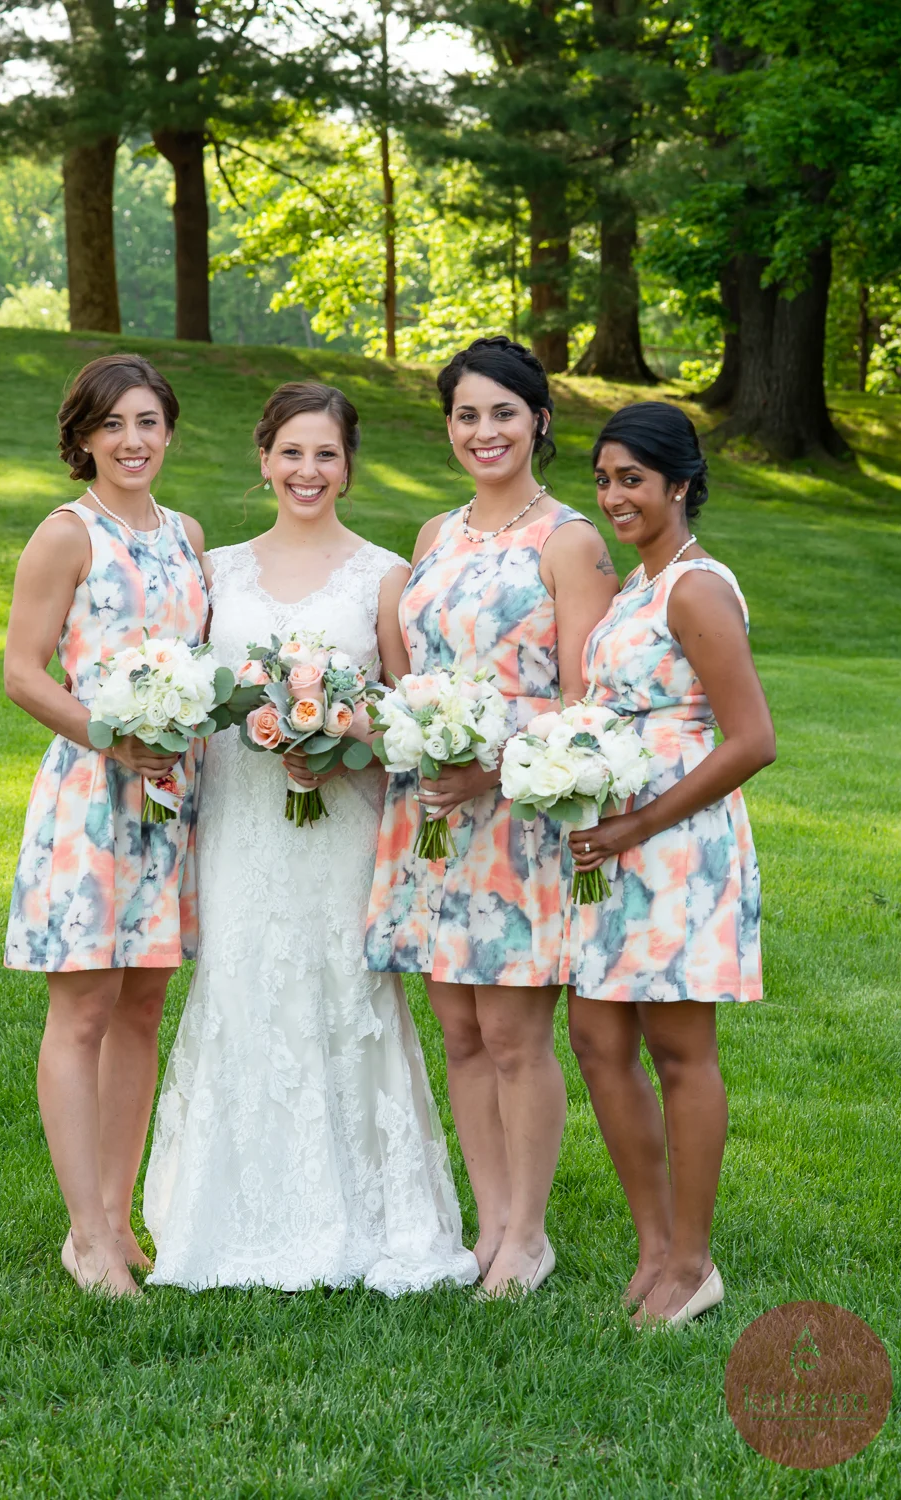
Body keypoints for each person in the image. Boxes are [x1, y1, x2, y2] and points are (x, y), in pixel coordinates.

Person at [143, 381, 478, 1296]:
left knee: (343, 993)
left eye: (326, 454)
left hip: (341, 825)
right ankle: (226, 1214)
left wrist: (339, 740)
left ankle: (370, 1213)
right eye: (291, 452)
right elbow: (191, 693)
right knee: (241, 984)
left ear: (348, 466)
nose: (307, 470)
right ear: (263, 459)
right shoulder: (217, 571)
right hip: (242, 822)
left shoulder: (382, 576)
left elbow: (405, 722)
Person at [364, 336, 618, 1295]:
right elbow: (409, 673)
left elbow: (588, 701)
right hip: (431, 811)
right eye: (466, 415)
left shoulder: (569, 541)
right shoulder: (434, 534)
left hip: (518, 814)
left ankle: (529, 1235)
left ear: (538, 421)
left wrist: (490, 763)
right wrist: (417, 738)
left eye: (502, 413)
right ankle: (490, 1221)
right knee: (460, 1033)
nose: (484, 431)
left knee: (513, 1036)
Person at [4, 354, 209, 1298]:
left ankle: (120, 1220)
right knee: (83, 1009)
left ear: (168, 432)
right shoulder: (65, 534)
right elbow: (23, 672)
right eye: (113, 424)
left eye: (148, 422)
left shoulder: (187, 535)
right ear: (82, 437)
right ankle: (83, 1234)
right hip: (92, 795)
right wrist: (109, 735)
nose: (132, 441)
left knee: (141, 1007)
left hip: (170, 799)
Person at [566, 401, 776, 1327]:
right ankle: (654, 1245)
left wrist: (639, 823)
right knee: (595, 1038)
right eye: (603, 479)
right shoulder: (634, 587)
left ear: (680, 485)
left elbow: (753, 739)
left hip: (677, 848)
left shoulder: (693, 589)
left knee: (680, 1052)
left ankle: (692, 1263)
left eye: (632, 480)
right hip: (617, 847)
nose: (614, 496)